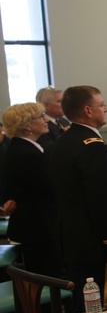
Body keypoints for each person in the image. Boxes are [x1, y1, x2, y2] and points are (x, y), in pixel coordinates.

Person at [50, 86, 107, 313]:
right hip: (97, 245)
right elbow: (102, 201)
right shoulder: (91, 147)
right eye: (102, 105)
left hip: (76, 238)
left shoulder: (64, 141)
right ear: (88, 110)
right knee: (102, 308)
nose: (106, 109)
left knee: (82, 303)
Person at [2, 103, 61, 275]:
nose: (46, 120)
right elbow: (50, 187)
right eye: (41, 116)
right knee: (49, 275)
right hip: (38, 228)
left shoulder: (24, 147)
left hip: (38, 224)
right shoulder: (25, 153)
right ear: (27, 125)